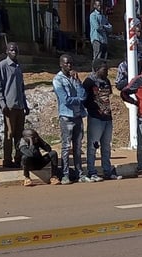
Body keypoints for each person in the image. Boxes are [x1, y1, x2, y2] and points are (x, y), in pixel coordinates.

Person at [52, 54, 88, 183]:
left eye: (71, 63)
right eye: (66, 63)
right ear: (61, 64)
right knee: (66, 146)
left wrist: (78, 81)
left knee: (78, 147)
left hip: (78, 116)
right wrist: (79, 99)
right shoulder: (57, 80)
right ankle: (65, 174)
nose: (69, 65)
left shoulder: (74, 78)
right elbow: (65, 100)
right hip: (66, 116)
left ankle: (79, 173)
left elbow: (84, 95)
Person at [0, 41, 28, 170]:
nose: (14, 52)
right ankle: (7, 159)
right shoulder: (2, 66)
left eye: (16, 50)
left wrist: (25, 104)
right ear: (7, 51)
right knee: (9, 133)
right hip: (9, 106)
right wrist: (2, 103)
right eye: (12, 50)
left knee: (20, 134)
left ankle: (18, 157)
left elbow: (21, 87)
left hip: (19, 106)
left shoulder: (18, 66)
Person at [82, 59, 117, 181]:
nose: (107, 72)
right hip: (95, 118)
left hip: (107, 117)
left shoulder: (106, 81)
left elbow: (108, 96)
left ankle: (107, 170)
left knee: (106, 146)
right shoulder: (89, 82)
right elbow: (84, 100)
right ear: (97, 69)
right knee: (93, 145)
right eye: (104, 70)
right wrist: (94, 109)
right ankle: (92, 171)